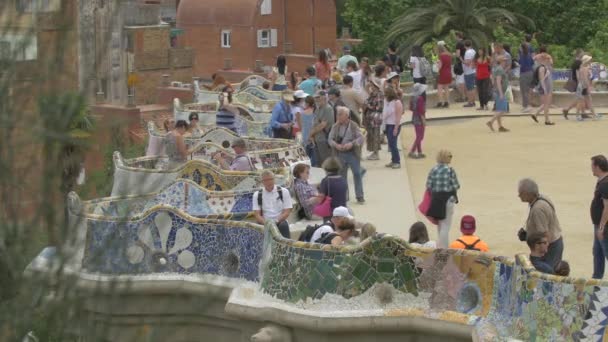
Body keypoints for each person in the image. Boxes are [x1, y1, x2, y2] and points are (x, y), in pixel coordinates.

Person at [518, 178, 563, 269]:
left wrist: (542, 253)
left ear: (528, 194)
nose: (519, 195)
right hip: (554, 243)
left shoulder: (537, 209)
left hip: (549, 247)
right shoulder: (543, 198)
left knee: (546, 276)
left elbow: (544, 234)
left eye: (521, 193)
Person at [328, 107, 365, 204]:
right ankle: (344, 196)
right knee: (342, 177)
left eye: (340, 114)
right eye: (337, 114)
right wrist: (336, 145)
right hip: (340, 154)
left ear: (347, 115)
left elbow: (361, 138)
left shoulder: (353, 125)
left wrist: (352, 144)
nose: (338, 116)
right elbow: (330, 139)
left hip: (352, 153)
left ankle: (359, 195)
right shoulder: (335, 126)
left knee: (357, 174)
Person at [426, 150, 461, 248]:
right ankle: (444, 248)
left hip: (436, 199)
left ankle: (441, 246)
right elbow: (456, 185)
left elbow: (428, 185)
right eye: (450, 156)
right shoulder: (450, 170)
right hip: (448, 199)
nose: (451, 157)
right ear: (446, 158)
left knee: (440, 224)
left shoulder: (433, 169)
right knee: (446, 225)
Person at [253, 170, 293, 239]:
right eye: (266, 180)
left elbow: (287, 211)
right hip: (265, 222)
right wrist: (266, 223)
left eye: (270, 179)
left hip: (280, 220)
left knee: (283, 226)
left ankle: (286, 247)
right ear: (262, 182)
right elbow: (257, 215)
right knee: (258, 229)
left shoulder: (284, 191)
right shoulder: (257, 195)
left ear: (274, 179)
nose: (269, 182)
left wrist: (276, 221)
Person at [590, 155, 608, 279]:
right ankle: (596, 281)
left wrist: (601, 228)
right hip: (599, 225)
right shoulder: (602, 181)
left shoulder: (605, 184)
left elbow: (607, 207)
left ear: (597, 167)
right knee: (597, 253)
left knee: (604, 252)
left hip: (604, 227)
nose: (591, 169)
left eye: (592, 166)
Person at [309, 90, 334, 166]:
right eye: (315, 98)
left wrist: (311, 134)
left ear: (324, 97)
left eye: (318, 97)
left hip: (324, 139)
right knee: (319, 162)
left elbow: (323, 125)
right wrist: (312, 136)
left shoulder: (328, 108)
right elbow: (314, 122)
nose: (316, 99)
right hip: (317, 138)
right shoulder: (318, 108)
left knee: (326, 161)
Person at [486, 55, 510, 132]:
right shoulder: (499, 69)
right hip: (500, 92)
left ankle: (500, 127)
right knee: (503, 109)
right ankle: (491, 122)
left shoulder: (497, 69)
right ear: (501, 61)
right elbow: (498, 82)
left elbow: (493, 79)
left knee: (499, 109)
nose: (506, 61)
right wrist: (501, 93)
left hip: (498, 91)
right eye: (504, 60)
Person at [531, 53, 555, 125]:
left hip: (547, 88)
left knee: (546, 104)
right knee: (546, 104)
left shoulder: (545, 67)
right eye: (548, 59)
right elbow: (541, 79)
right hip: (545, 88)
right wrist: (544, 89)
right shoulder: (542, 68)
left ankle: (536, 114)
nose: (550, 60)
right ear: (545, 59)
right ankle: (547, 120)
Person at [382, 86, 403, 169]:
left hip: (394, 125)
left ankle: (397, 161)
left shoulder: (397, 102)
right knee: (391, 144)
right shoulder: (387, 101)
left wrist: (396, 128)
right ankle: (393, 160)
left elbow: (398, 116)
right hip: (388, 124)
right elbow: (385, 112)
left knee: (393, 144)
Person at [363, 78, 384, 161]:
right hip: (371, 117)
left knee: (375, 135)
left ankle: (376, 153)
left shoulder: (379, 94)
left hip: (375, 117)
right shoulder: (373, 93)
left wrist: (368, 105)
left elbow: (379, 107)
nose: (370, 85)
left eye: (372, 84)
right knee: (372, 135)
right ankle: (374, 152)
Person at [408, 83, 427, 159]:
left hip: (414, 117)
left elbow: (411, 108)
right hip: (420, 118)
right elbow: (421, 111)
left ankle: (419, 152)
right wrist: (424, 121)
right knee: (420, 136)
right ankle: (412, 151)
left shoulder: (412, 97)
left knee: (418, 136)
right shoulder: (420, 98)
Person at [577, 55, 599, 120]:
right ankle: (593, 115)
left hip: (581, 86)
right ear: (586, 61)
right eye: (589, 60)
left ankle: (593, 115)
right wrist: (588, 87)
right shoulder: (586, 68)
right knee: (585, 101)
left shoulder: (581, 67)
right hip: (584, 86)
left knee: (584, 101)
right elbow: (585, 79)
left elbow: (581, 78)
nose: (590, 61)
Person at [297, 95, 316, 164]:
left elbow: (301, 126)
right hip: (313, 135)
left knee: (305, 157)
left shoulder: (302, 113)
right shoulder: (315, 112)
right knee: (314, 157)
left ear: (307, 103)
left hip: (305, 136)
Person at [519, 38, 535, 113]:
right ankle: (528, 105)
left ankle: (527, 105)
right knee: (528, 90)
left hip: (524, 73)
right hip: (530, 72)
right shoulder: (529, 55)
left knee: (524, 90)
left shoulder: (522, 55)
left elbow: (521, 64)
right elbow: (532, 63)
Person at [462, 40, 477, 108]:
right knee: (473, 87)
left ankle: (470, 102)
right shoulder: (473, 51)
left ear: (465, 45)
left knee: (469, 88)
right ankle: (473, 101)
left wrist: (461, 60)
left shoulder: (467, 52)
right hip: (473, 71)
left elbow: (467, 63)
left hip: (468, 72)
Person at [453, 32, 467, 102]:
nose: (455, 38)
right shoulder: (465, 43)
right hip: (467, 64)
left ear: (458, 36)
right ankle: (466, 96)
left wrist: (453, 54)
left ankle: (463, 97)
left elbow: (458, 54)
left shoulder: (458, 44)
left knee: (459, 82)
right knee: (464, 80)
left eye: (455, 36)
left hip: (461, 63)